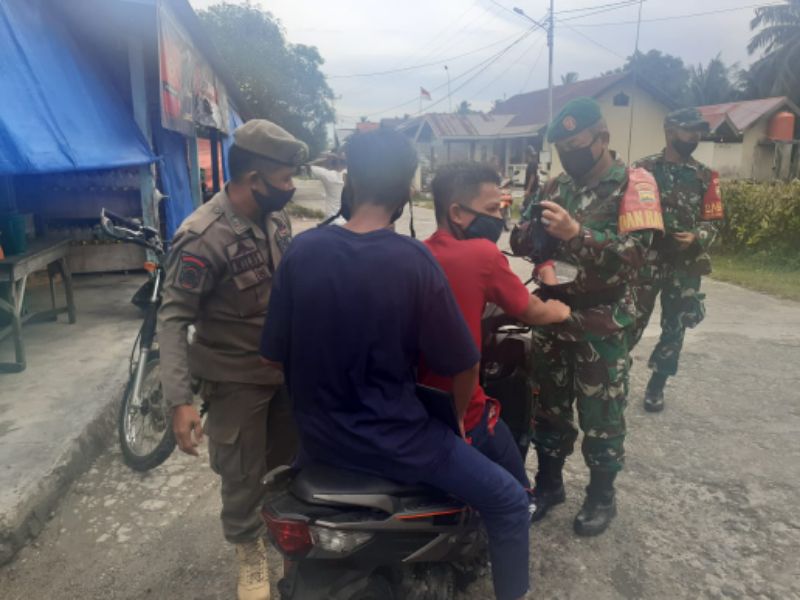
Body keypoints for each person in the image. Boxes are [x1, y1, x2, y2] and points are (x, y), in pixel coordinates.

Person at [260, 129, 531, 600]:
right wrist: (458, 432)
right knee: (508, 501)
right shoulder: (413, 261)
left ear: (351, 181)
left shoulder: (302, 251)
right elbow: (462, 366)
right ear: (407, 192)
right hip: (399, 442)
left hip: (319, 441)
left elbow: (272, 355)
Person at [159, 119, 307, 600]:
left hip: (285, 374)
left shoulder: (277, 220)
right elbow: (173, 319)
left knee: (287, 467)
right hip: (234, 380)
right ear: (254, 181)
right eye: (284, 180)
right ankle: (249, 556)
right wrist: (179, 400)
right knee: (242, 475)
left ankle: (290, 546)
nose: (291, 188)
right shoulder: (203, 236)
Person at [517, 98, 663, 536]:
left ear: (603, 138)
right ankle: (548, 483)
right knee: (548, 404)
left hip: (602, 318)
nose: (570, 154)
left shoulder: (634, 184)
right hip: (551, 313)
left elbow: (635, 257)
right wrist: (529, 234)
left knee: (602, 412)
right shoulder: (556, 186)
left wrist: (577, 235)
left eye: (577, 145)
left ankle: (602, 495)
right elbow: (523, 237)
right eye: (562, 147)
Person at [419, 161, 570, 495]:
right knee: (513, 488)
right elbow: (530, 310)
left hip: (418, 401)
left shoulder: (418, 252)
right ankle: (521, 508)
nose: (499, 220)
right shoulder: (483, 254)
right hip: (461, 408)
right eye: (491, 209)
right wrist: (558, 310)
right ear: (457, 212)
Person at [630, 108, 724, 412]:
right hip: (647, 260)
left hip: (684, 265)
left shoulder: (705, 176)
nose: (694, 136)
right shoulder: (641, 171)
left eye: (698, 131)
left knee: (676, 326)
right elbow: (622, 212)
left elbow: (715, 222)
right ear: (669, 131)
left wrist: (698, 237)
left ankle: (657, 385)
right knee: (630, 320)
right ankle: (614, 379)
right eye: (688, 130)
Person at [309, 152, 346, 218]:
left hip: (332, 220)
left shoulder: (329, 175)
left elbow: (307, 167)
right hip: (349, 220)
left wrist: (323, 160)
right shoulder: (354, 177)